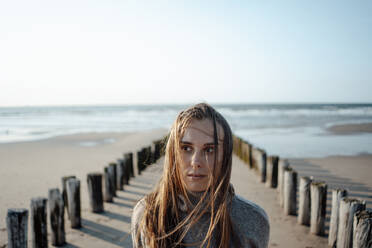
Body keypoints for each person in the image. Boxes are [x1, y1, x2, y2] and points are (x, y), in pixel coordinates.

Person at [131, 103, 270, 248]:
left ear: (225, 157)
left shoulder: (252, 219)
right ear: (173, 154)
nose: (195, 162)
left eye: (209, 149)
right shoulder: (146, 213)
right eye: (186, 148)